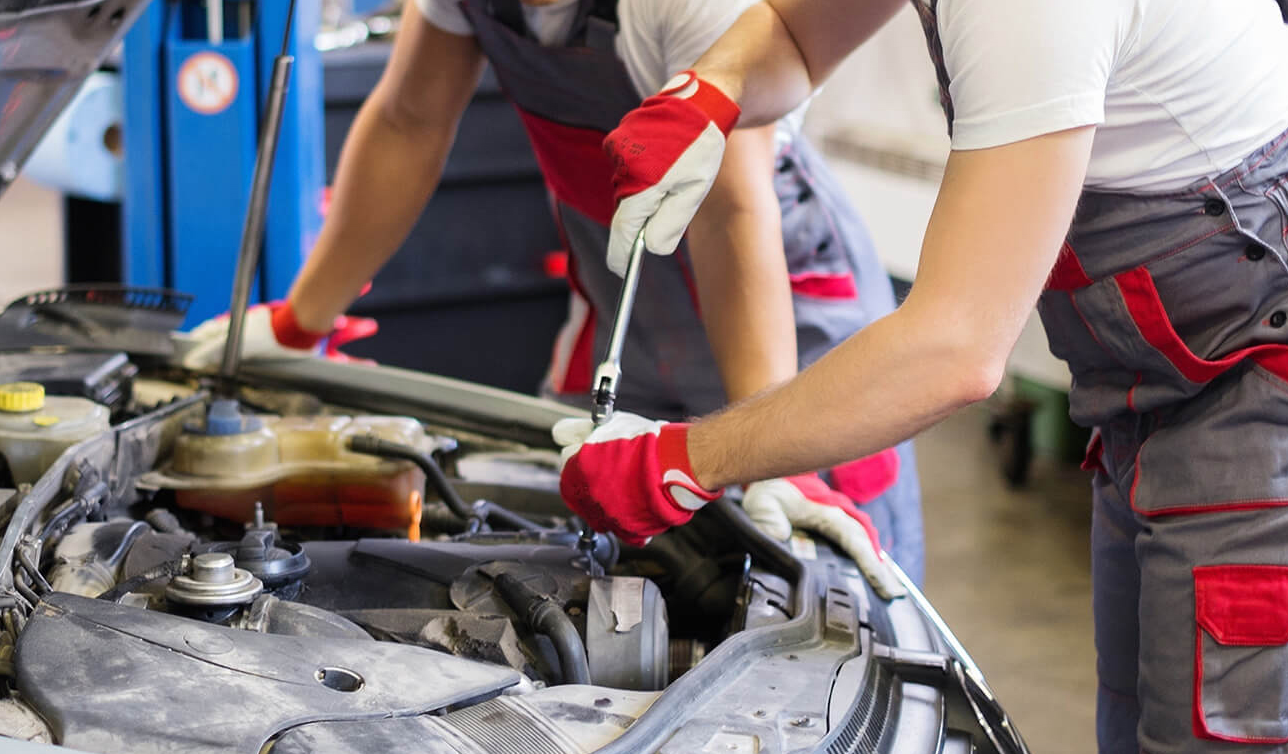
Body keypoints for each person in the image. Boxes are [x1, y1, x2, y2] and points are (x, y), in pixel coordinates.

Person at [554, 0, 1288, 754]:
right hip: (1151, 393)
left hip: (1282, 387)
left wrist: (685, 460)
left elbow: (955, 349)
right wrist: (711, 87)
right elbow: (795, 33)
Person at [182, 0, 926, 582]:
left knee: (821, 571)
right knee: (572, 533)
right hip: (622, 304)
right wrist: (302, 322)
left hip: (782, 314)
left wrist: (776, 451)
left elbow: (729, 211)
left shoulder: (687, 6)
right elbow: (409, 124)